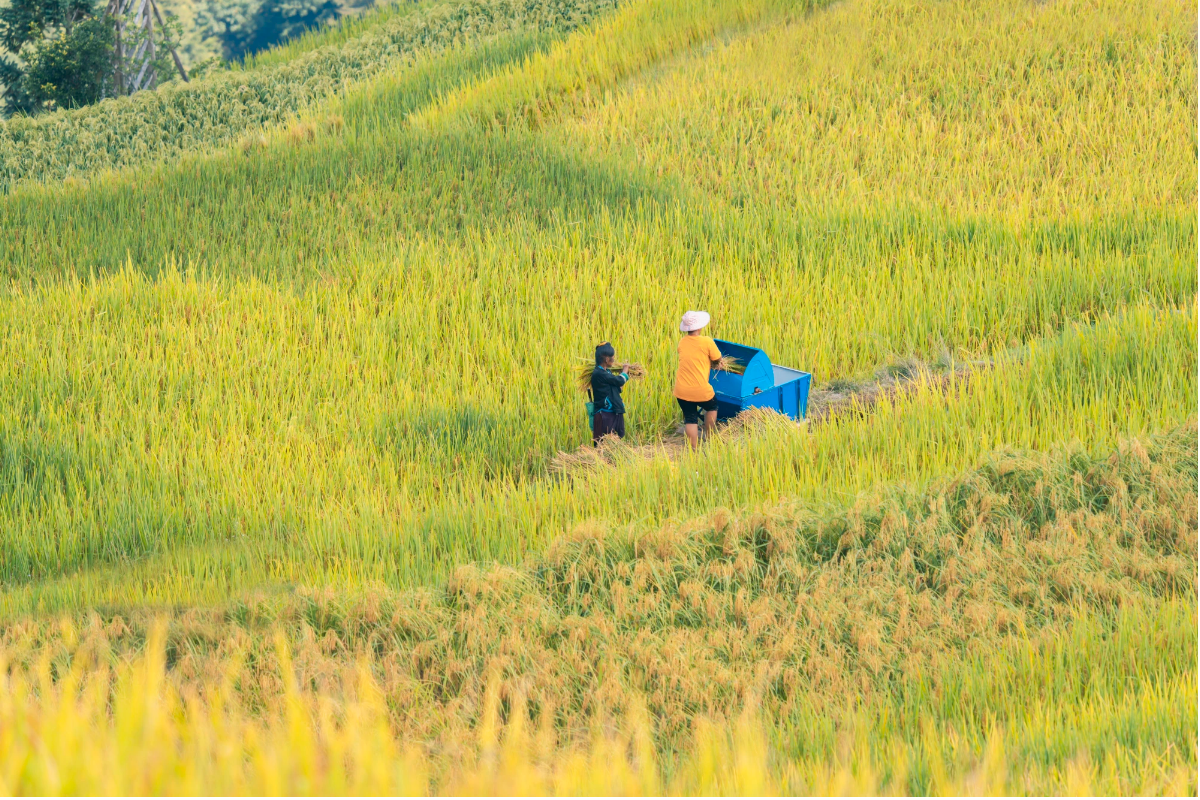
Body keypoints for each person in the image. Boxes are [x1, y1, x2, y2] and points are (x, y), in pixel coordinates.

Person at [674, 310, 721, 448]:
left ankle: (693, 451)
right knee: (712, 406)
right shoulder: (707, 341)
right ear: (700, 327)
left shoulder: (682, 342)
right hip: (700, 390)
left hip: (681, 390)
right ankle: (710, 438)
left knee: (690, 418)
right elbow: (717, 359)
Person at [590, 341, 630, 445]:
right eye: (612, 357)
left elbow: (617, 387)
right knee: (604, 445)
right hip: (605, 414)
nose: (614, 359)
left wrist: (623, 375)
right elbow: (620, 381)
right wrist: (625, 371)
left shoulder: (607, 372)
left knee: (614, 444)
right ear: (607, 359)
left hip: (612, 412)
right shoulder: (599, 373)